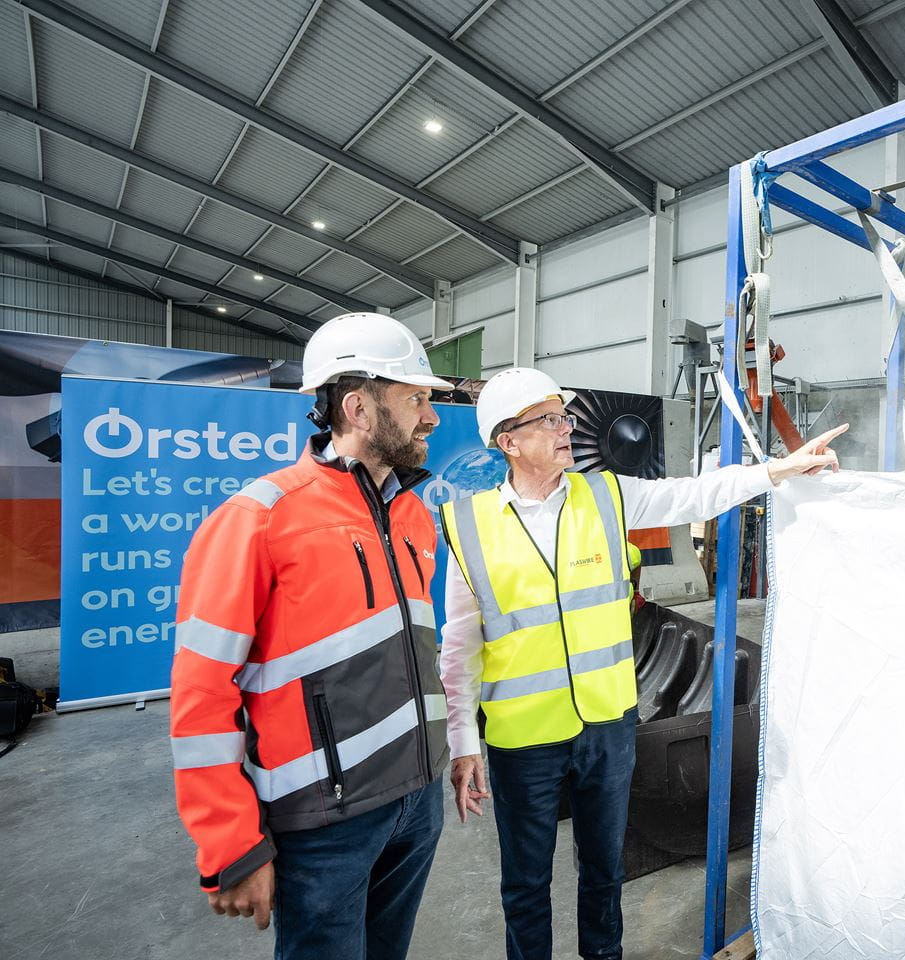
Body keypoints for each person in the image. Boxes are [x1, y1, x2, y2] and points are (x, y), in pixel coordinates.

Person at [438, 367, 846, 960]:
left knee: (604, 876)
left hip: (607, 727)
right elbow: (459, 644)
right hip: (521, 738)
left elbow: (691, 494)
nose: (566, 428)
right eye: (548, 419)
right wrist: (461, 742)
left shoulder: (604, 494)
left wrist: (779, 469)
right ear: (509, 441)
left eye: (564, 415)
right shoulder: (470, 525)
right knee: (525, 886)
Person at [169, 312, 453, 959]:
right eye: (414, 399)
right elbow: (201, 696)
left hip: (415, 800)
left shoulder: (413, 517)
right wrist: (230, 843)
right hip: (324, 826)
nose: (429, 418)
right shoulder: (259, 519)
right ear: (357, 407)